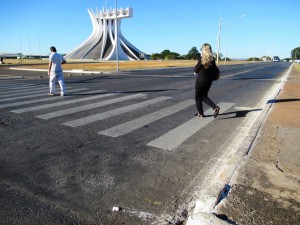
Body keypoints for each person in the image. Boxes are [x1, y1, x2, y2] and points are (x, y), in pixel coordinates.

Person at [194, 43, 220, 118]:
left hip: (200, 81)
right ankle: (215, 108)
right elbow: (216, 70)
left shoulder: (201, 59)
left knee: (198, 96)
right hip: (209, 81)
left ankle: (201, 113)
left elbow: (196, 69)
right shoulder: (212, 60)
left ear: (203, 50)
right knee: (204, 96)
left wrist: (198, 62)